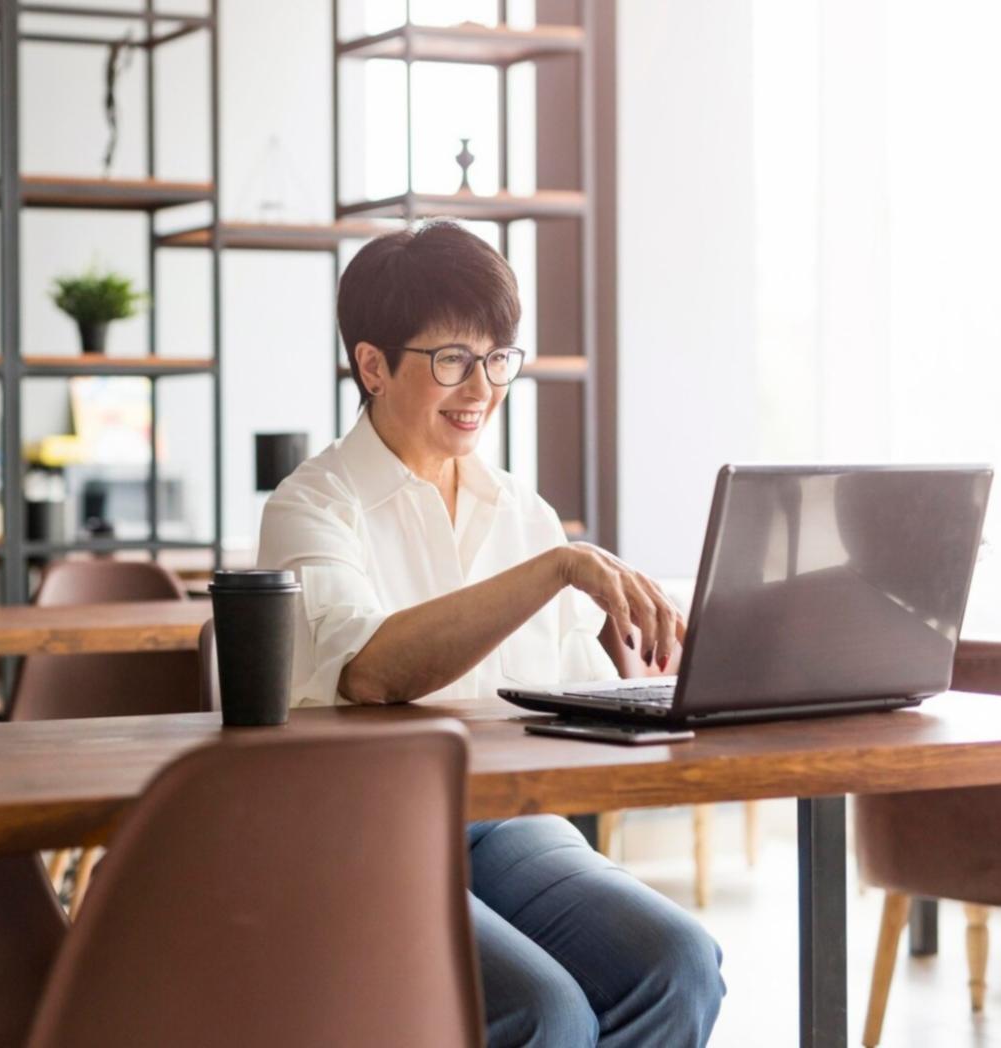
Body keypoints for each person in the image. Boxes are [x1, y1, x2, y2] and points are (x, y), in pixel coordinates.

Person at [257, 222, 725, 1047]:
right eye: (451, 360)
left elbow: (583, 689)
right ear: (372, 365)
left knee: (681, 963)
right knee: (542, 1011)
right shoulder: (312, 506)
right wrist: (556, 569)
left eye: (497, 358)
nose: (481, 386)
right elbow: (367, 671)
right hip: (360, 831)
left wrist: (662, 675)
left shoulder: (521, 510)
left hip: (510, 824)